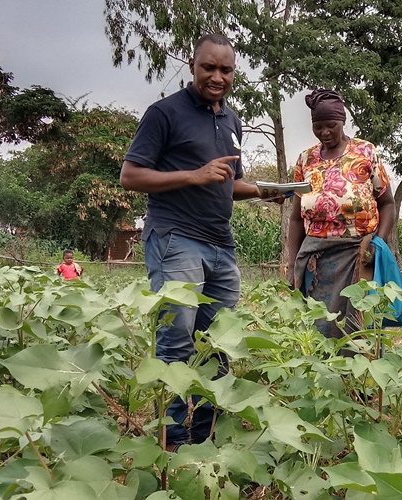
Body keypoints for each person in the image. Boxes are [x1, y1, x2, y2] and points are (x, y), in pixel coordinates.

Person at [120, 33, 275, 449]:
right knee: (177, 338)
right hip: (175, 237)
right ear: (193, 65)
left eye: (226, 70)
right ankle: (170, 440)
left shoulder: (232, 120)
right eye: (209, 67)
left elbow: (229, 182)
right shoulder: (164, 113)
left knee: (218, 341)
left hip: (221, 244)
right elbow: (131, 175)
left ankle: (204, 435)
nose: (217, 76)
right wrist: (193, 174)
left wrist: (264, 190)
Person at [284, 88, 396, 346]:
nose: (324, 132)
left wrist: (378, 242)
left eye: (331, 125)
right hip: (316, 259)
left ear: (343, 121)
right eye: (318, 126)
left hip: (358, 255)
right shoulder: (305, 160)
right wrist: (292, 265)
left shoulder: (365, 153)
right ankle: (323, 385)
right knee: (317, 331)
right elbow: (295, 218)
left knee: (359, 333)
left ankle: (359, 386)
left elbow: (387, 203)